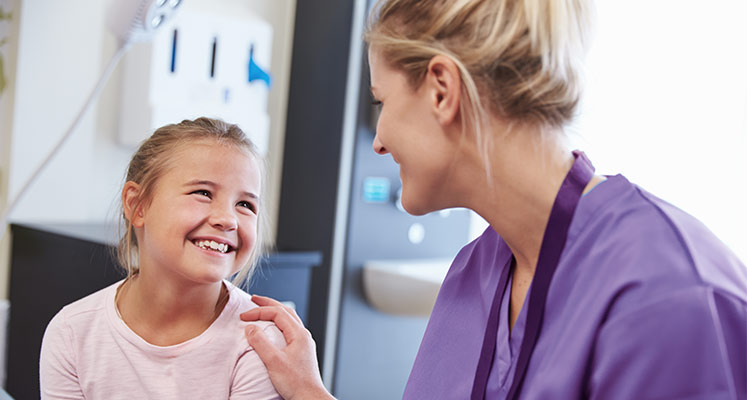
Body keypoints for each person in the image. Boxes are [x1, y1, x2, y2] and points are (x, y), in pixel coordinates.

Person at [241, 0, 747, 399]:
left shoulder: (671, 294)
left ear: (441, 89)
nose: (379, 138)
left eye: (383, 102)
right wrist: (309, 393)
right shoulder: (473, 274)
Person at [40, 117, 285, 399]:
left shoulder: (259, 342)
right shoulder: (73, 332)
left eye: (245, 204)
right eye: (203, 193)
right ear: (138, 205)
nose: (227, 219)